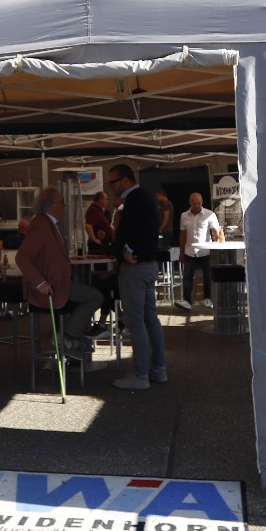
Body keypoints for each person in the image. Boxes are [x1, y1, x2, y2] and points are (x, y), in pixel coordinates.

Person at [16, 187, 106, 371]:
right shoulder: (41, 225)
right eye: (62, 202)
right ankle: (68, 336)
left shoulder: (52, 224)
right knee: (95, 297)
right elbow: (22, 257)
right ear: (51, 206)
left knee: (92, 296)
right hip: (52, 287)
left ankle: (73, 337)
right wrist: (40, 283)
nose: (65, 206)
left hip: (60, 283)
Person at [109, 164, 166, 390]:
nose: (111, 187)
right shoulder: (145, 198)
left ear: (124, 180)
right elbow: (149, 230)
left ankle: (141, 375)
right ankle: (158, 369)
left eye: (112, 182)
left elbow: (130, 232)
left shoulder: (134, 200)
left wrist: (124, 250)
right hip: (148, 265)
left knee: (137, 322)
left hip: (136, 268)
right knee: (151, 319)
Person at [177, 192, 222, 310]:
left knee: (207, 276)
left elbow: (216, 231)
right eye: (194, 204)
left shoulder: (210, 214)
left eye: (199, 203)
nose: (197, 206)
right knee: (187, 277)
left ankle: (207, 298)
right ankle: (187, 301)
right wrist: (181, 252)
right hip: (189, 250)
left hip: (205, 251)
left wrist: (217, 241)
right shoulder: (184, 216)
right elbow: (182, 234)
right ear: (190, 203)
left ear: (202, 202)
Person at [154, 187, 174, 253]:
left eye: (157, 196)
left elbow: (166, 218)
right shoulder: (163, 204)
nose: (156, 198)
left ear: (161, 194)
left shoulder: (166, 203)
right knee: (163, 247)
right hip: (166, 230)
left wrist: (161, 228)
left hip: (166, 230)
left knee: (163, 249)